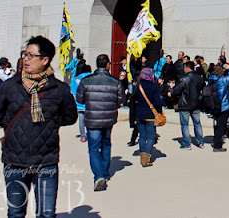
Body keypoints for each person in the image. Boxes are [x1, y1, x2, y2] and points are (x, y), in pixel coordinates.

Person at [0, 36, 78, 218]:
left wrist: (49, 123)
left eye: (31, 55)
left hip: (46, 162)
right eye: (25, 54)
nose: (26, 59)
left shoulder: (59, 90)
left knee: (46, 214)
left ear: (45, 60)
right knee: (15, 212)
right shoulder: (10, 86)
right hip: (15, 160)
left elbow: (70, 117)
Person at [76, 54, 125, 191]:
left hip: (92, 118)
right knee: (106, 144)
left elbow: (79, 99)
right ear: (108, 64)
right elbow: (121, 100)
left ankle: (99, 175)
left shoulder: (86, 81)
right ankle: (104, 172)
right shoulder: (115, 81)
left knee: (93, 147)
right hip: (109, 118)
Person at [130, 67, 163, 167]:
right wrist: (159, 112)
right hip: (150, 114)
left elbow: (133, 98)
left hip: (139, 114)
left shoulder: (138, 85)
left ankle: (142, 155)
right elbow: (158, 102)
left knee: (142, 136)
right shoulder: (154, 86)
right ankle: (146, 157)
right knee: (151, 136)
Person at [168, 61, 205, 149]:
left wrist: (171, 92)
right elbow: (202, 88)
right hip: (196, 103)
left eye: (184, 68)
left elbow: (177, 90)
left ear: (187, 68)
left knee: (185, 124)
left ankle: (187, 143)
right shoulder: (199, 78)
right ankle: (200, 142)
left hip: (185, 104)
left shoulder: (183, 79)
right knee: (197, 123)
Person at [208, 58, 229, 152]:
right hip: (223, 105)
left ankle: (216, 140)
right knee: (222, 126)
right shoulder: (222, 81)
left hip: (214, 105)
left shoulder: (211, 80)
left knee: (217, 124)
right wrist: (228, 67)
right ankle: (217, 145)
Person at [70, 62, 92, 142]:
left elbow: (73, 91)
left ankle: (83, 135)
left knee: (81, 120)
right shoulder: (91, 79)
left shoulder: (77, 80)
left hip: (80, 103)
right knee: (90, 120)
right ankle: (91, 134)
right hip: (90, 103)